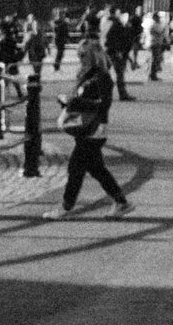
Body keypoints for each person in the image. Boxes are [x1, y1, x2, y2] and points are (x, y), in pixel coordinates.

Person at [53, 38, 129, 218]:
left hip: (94, 128)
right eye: (78, 54)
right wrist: (68, 102)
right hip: (88, 127)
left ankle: (66, 206)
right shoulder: (87, 75)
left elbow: (103, 104)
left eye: (83, 54)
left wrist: (74, 102)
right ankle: (121, 202)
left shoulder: (101, 76)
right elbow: (83, 101)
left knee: (75, 168)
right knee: (96, 169)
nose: (80, 58)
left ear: (93, 55)